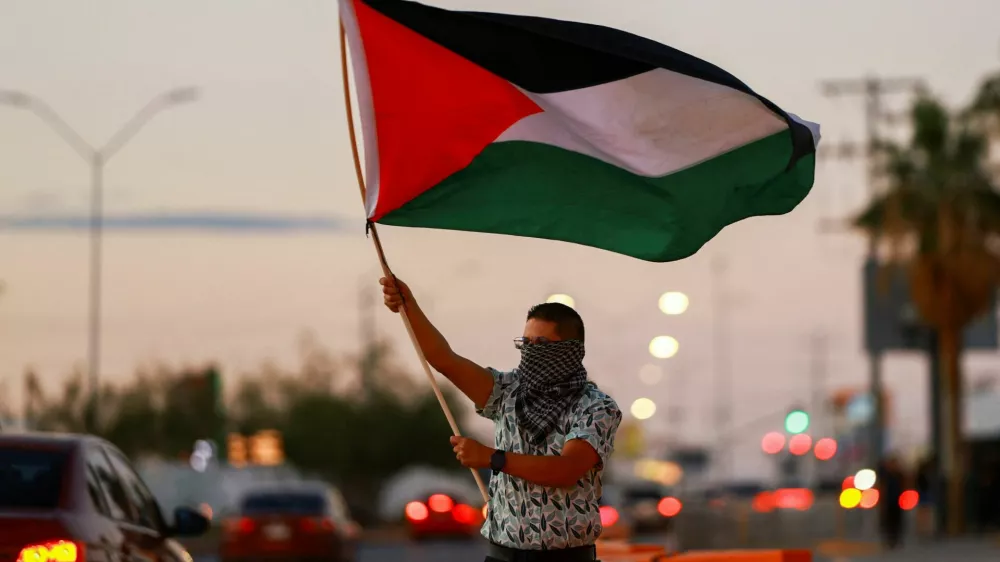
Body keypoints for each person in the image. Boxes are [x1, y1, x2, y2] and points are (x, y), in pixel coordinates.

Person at [381, 276, 622, 561]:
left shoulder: (595, 406)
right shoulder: (506, 391)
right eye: (526, 342)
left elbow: (566, 470)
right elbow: (444, 359)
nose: (530, 351)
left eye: (541, 343)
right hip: (502, 554)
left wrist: (493, 458)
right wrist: (409, 307)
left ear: (569, 350)